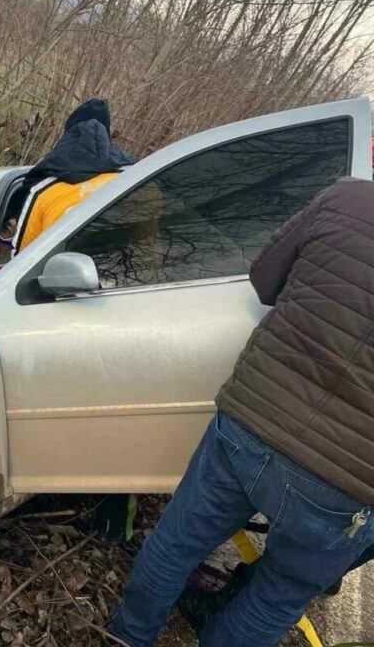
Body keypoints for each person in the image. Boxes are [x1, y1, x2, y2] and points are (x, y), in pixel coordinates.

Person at [108, 177, 374, 647]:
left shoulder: (348, 197)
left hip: (254, 420)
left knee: (175, 545)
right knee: (275, 598)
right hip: (345, 483)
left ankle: (126, 638)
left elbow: (265, 276)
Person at [17, 98, 135, 251]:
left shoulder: (43, 189)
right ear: (106, 134)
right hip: (125, 262)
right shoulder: (134, 180)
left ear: (69, 132)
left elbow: (23, 255)